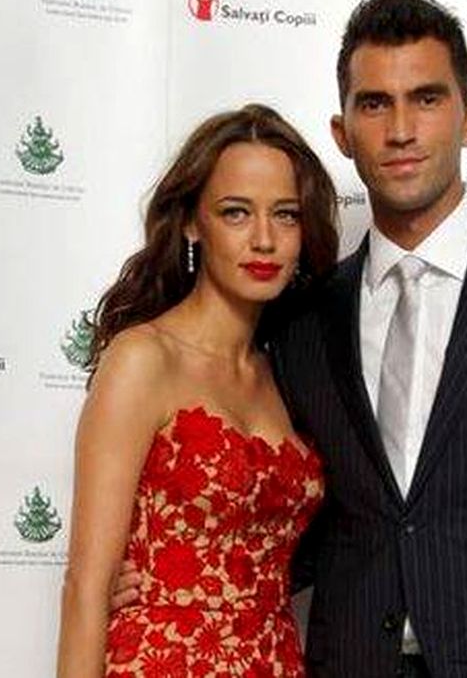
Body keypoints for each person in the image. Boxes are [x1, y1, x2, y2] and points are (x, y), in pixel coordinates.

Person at [115, 0, 467, 677]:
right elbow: (301, 515)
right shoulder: (302, 318)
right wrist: (176, 577)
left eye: (427, 99)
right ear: (342, 131)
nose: (401, 129)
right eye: (375, 104)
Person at [56, 103, 339, 677]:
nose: (264, 239)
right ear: (191, 222)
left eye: (285, 215)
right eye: (236, 213)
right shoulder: (143, 358)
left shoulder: (288, 371)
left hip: (275, 661)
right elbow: (87, 587)